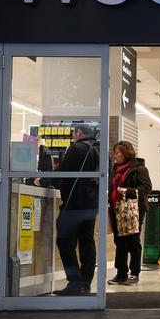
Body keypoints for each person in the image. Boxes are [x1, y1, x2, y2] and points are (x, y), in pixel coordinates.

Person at [54, 124, 100, 296]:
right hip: (92, 204)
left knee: (64, 241)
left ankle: (74, 282)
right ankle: (86, 283)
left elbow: (62, 173)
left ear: (79, 132)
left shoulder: (76, 148)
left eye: (74, 133)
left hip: (74, 204)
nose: (73, 136)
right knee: (87, 242)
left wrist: (43, 180)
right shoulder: (101, 150)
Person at [107, 141, 152, 286]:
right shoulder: (115, 169)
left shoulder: (139, 169)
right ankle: (121, 273)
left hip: (133, 210)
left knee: (132, 241)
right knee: (119, 242)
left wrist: (128, 191)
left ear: (126, 153)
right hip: (116, 210)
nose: (116, 155)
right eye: (115, 152)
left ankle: (134, 273)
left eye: (119, 152)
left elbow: (146, 187)